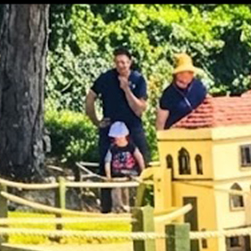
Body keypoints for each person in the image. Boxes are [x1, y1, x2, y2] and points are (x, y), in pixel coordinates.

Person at [86, 47, 149, 213]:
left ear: (130, 62)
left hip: (133, 127)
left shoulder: (138, 79)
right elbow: (90, 98)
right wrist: (96, 121)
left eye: (124, 62)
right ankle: (106, 209)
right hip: (110, 127)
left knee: (143, 163)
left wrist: (126, 89)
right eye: (118, 62)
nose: (121, 65)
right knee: (105, 166)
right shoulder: (106, 78)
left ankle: (143, 206)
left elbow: (140, 108)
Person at [156, 53, 209, 132]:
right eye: (185, 72)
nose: (188, 75)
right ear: (177, 74)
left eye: (190, 72)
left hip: (198, 133)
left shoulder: (198, 86)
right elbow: (160, 122)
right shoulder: (168, 94)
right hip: (175, 136)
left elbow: (208, 104)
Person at [102, 121, 146, 212]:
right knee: (116, 191)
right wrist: (108, 176)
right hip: (117, 175)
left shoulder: (131, 146)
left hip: (131, 174)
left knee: (129, 192)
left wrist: (143, 172)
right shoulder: (113, 148)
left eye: (118, 137)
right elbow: (107, 161)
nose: (117, 140)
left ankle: (129, 208)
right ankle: (117, 209)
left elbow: (139, 157)